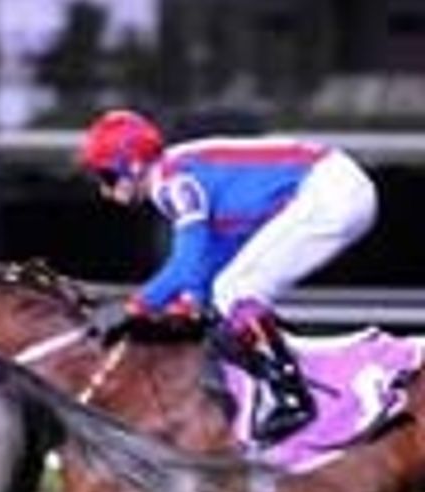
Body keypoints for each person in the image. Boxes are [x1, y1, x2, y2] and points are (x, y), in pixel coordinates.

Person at [79, 109, 379, 444]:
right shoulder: (178, 173)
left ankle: (290, 397)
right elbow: (214, 254)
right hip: (333, 185)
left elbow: (186, 263)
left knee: (237, 290)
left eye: (106, 177)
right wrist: (192, 299)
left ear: (133, 166)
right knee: (232, 291)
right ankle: (283, 382)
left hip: (329, 191)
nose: (104, 190)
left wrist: (133, 306)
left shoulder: (173, 183)